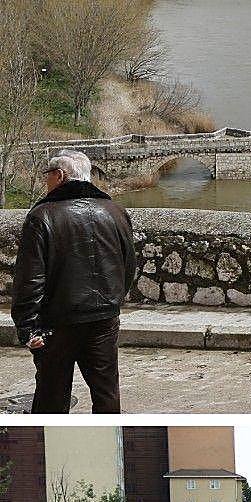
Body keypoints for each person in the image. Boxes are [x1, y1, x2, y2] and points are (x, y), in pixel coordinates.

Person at [10, 149, 136, 414]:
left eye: (48, 175)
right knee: (106, 395)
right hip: (104, 319)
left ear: (60, 176)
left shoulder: (41, 217)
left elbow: (30, 279)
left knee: (51, 399)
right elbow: (127, 266)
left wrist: (27, 327)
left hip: (57, 322)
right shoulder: (115, 211)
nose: (46, 181)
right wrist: (113, 301)